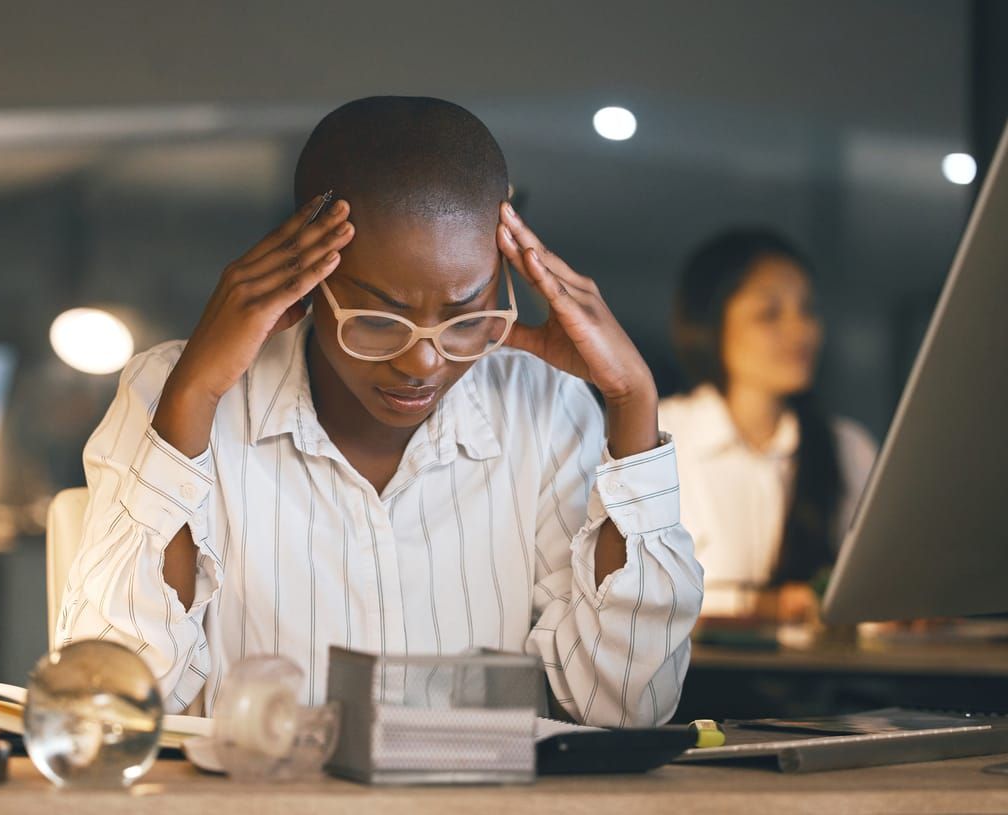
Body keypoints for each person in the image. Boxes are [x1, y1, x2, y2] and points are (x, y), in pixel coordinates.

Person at [57, 97, 702, 727]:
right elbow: (112, 697)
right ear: (306, 278)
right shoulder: (174, 390)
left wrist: (632, 401)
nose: (423, 361)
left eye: (465, 317)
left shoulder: (545, 404)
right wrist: (193, 395)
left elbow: (625, 704)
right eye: (377, 319)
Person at [659, 229, 877, 621]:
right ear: (710, 325)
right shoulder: (658, 436)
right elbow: (633, 595)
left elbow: (876, 582)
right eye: (769, 314)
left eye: (807, 309)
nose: (801, 330)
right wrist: (760, 606)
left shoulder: (847, 446)